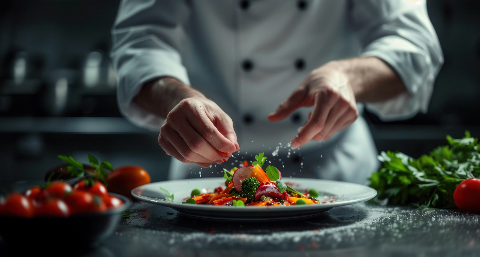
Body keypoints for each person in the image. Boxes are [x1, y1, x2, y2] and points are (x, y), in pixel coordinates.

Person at [111, 0, 443, 184]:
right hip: (205, 173)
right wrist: (179, 98)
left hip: (338, 174)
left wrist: (348, 76)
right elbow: (140, 42)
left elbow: (414, 46)